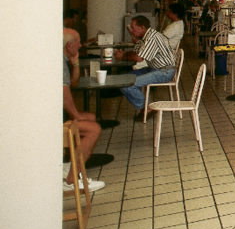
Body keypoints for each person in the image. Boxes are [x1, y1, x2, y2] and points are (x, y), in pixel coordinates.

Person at [62, 29, 105, 192]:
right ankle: (71, 180)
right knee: (93, 129)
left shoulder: (64, 59)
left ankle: (71, 166)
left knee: (90, 117)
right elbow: (64, 92)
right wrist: (75, 115)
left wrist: (75, 62)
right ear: (69, 45)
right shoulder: (58, 62)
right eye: (79, 42)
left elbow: (73, 83)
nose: (81, 45)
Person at [114, 16, 176, 121]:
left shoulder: (152, 37)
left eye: (133, 28)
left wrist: (123, 57)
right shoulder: (144, 38)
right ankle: (146, 108)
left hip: (164, 71)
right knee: (122, 80)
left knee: (127, 84)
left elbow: (139, 58)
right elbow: (136, 52)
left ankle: (146, 109)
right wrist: (124, 54)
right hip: (154, 69)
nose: (131, 31)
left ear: (142, 27)